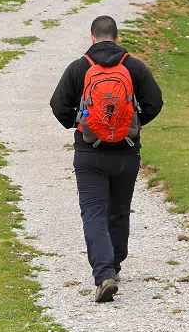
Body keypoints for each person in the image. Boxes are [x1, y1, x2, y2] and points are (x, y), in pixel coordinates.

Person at [50, 15, 163, 302]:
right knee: (119, 210)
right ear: (117, 37)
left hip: (90, 153)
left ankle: (104, 274)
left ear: (92, 37)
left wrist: (80, 126)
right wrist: (131, 127)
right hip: (126, 152)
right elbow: (155, 102)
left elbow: (58, 105)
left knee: (94, 213)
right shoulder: (134, 66)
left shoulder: (79, 68)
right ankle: (115, 263)